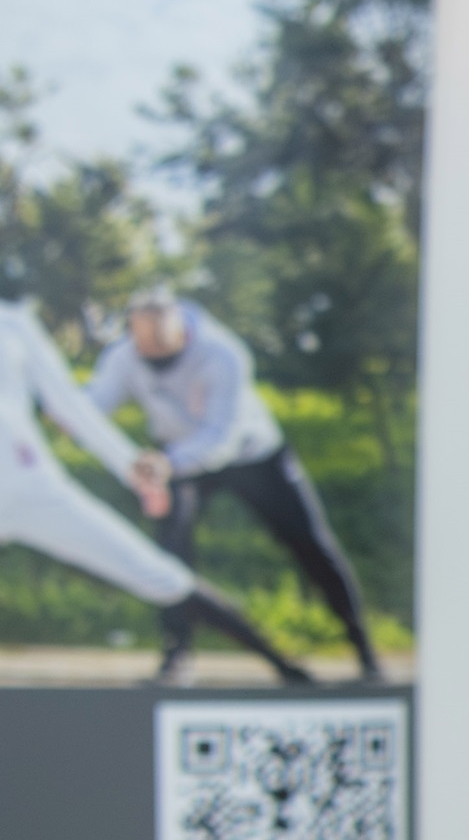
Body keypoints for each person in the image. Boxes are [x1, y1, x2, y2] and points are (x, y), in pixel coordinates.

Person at [0, 300, 308, 681]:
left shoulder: (14, 324)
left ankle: (282, 665)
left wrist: (132, 468)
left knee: (157, 573)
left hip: (33, 488)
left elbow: (74, 407)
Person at [87, 289, 383, 682]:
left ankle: (364, 651)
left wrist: (168, 464)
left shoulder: (223, 352)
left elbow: (220, 438)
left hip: (250, 455)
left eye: (163, 346)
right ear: (132, 334)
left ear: (181, 331)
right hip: (176, 460)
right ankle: (177, 657)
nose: (154, 357)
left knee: (310, 542)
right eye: (144, 347)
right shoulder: (124, 356)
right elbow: (92, 406)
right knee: (170, 554)